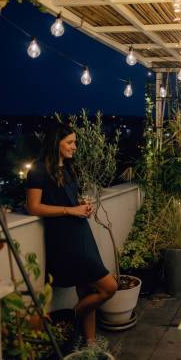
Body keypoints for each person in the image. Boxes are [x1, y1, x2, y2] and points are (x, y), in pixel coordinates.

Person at [26, 122, 117, 344]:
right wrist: (70, 209)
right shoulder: (38, 170)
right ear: (55, 143)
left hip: (81, 233)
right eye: (70, 142)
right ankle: (70, 319)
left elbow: (65, 199)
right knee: (109, 287)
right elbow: (33, 207)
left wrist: (80, 205)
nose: (74, 146)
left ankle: (90, 344)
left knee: (87, 291)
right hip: (65, 240)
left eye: (74, 142)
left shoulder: (67, 168)